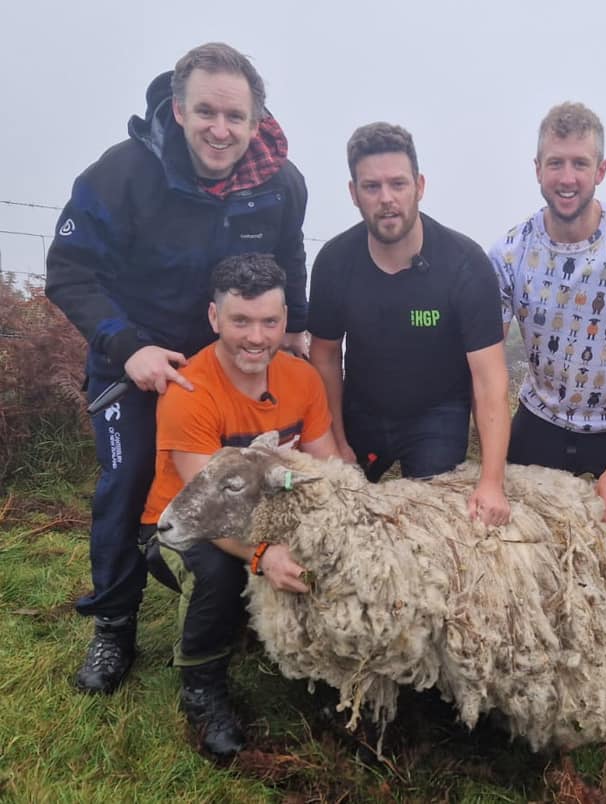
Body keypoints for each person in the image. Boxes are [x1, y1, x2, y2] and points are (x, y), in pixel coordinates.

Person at [45, 42, 310, 696]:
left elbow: (290, 258)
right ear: (178, 109)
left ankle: (242, 601)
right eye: (206, 112)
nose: (220, 130)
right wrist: (126, 346)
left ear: (257, 120)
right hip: (141, 356)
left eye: (235, 116)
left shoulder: (282, 184)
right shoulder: (122, 174)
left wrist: (295, 332)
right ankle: (113, 626)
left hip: (231, 365)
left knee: (259, 478)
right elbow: (67, 269)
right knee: (129, 476)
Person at [141, 253, 338, 757]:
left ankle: (326, 670)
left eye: (270, 322)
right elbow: (209, 510)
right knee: (220, 573)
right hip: (182, 526)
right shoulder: (191, 391)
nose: (257, 337)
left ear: (286, 319)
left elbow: (328, 468)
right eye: (241, 321)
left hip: (269, 515)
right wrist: (264, 555)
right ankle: (202, 685)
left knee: (333, 554)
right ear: (214, 318)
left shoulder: (303, 379)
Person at [308, 122, 511, 525]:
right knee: (334, 514)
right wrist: (337, 441)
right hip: (362, 409)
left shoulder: (465, 264)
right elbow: (326, 356)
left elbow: (490, 381)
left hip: (437, 413)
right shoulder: (334, 262)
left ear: (419, 185)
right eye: (371, 187)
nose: (387, 199)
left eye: (398, 184)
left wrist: (492, 480)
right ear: (353, 193)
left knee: (433, 524)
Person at [488, 102, 606, 522]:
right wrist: (492, 470)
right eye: (556, 163)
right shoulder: (508, 254)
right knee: (526, 551)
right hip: (541, 421)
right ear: (538, 169)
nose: (567, 178)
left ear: (601, 170)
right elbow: (490, 363)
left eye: (579, 163)